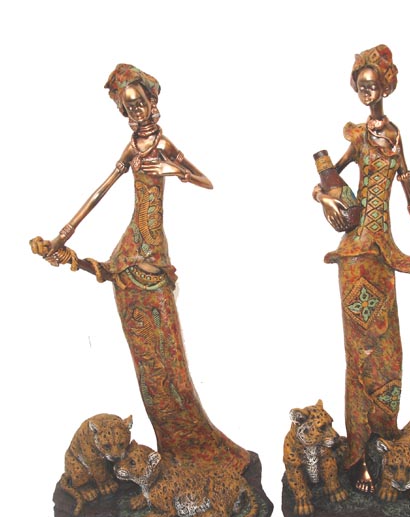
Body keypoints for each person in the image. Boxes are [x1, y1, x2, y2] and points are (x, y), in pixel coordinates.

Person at [30, 64, 249, 471]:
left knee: (171, 360)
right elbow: (101, 190)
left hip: (153, 252)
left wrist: (172, 169)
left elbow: (206, 181)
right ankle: (173, 450)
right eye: (130, 108)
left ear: (152, 101)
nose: (138, 113)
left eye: (141, 104)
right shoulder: (131, 148)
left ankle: (194, 447)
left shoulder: (162, 143)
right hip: (131, 251)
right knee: (148, 363)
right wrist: (62, 238)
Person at [313, 45, 410, 491]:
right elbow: (326, 180)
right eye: (361, 86)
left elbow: (409, 193)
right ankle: (358, 456)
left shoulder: (396, 136)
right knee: (359, 356)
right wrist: (326, 199)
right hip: (355, 254)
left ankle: (384, 437)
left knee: (388, 352)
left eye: (373, 86)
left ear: (386, 87)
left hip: (383, 253)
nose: (366, 93)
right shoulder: (359, 138)